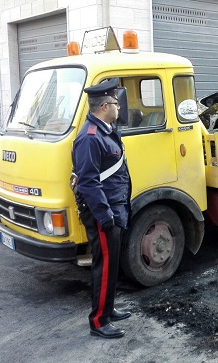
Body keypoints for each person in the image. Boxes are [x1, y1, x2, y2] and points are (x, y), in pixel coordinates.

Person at [72, 77, 132, 339]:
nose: (119, 108)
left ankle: (108, 309)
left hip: (112, 206)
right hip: (103, 211)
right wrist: (105, 214)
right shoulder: (90, 137)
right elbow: (87, 181)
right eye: (116, 103)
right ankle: (98, 321)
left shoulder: (106, 129)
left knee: (112, 261)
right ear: (105, 105)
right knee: (104, 265)